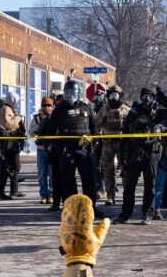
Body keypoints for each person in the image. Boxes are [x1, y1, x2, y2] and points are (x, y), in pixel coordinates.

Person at [40, 80, 100, 215]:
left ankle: (91, 208)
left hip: (84, 149)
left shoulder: (86, 108)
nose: (71, 95)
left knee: (88, 180)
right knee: (68, 180)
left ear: (78, 93)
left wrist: (94, 144)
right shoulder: (59, 110)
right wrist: (53, 149)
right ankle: (71, 209)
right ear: (65, 93)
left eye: (74, 93)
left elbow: (94, 127)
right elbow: (50, 131)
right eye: (69, 93)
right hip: (67, 150)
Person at [117, 88, 164, 225]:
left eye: (149, 96)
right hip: (134, 152)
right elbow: (125, 135)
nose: (146, 99)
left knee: (150, 187)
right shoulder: (134, 112)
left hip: (151, 153)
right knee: (129, 187)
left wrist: (161, 93)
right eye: (144, 96)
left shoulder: (158, 113)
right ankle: (125, 215)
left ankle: (148, 214)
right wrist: (123, 157)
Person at [95, 84, 130, 206]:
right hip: (107, 143)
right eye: (111, 95)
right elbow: (96, 124)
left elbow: (132, 126)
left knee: (125, 170)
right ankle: (110, 196)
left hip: (122, 143)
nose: (114, 98)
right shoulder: (104, 109)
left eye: (116, 95)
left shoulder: (126, 110)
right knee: (107, 171)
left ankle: (127, 195)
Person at [0, 96, 26, 200]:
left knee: (15, 167)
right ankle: (1, 192)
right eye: (16, 101)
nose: (17, 103)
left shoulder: (11, 109)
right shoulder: (5, 109)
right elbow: (7, 124)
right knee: (6, 169)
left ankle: (13, 190)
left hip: (13, 144)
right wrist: (18, 118)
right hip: (7, 145)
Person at [29, 96, 55, 205]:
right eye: (45, 105)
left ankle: (52, 195)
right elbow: (31, 132)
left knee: (52, 174)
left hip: (53, 149)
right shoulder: (37, 118)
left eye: (49, 105)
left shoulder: (55, 117)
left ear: (52, 106)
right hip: (41, 150)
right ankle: (44, 195)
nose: (47, 107)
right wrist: (38, 129)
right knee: (42, 174)